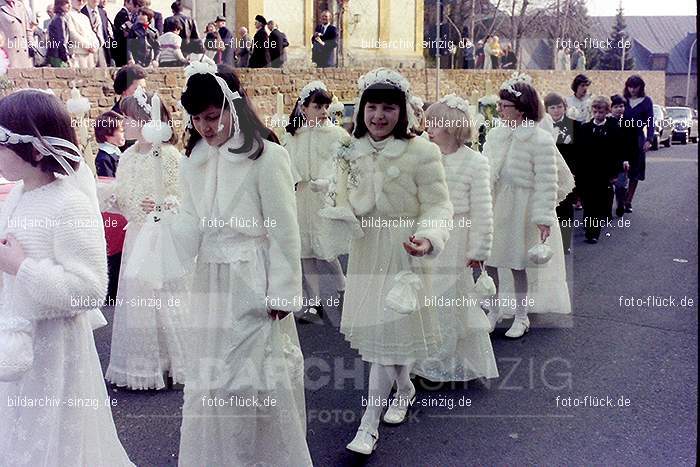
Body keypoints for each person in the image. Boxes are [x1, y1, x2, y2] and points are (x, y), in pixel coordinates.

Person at [143, 60, 312, 465]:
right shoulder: (196, 159)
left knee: (252, 378)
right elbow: (192, 224)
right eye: (198, 118)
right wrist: (164, 224)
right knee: (213, 378)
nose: (206, 126)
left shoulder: (266, 156)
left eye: (213, 116)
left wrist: (283, 291)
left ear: (232, 107)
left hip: (252, 278)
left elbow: (284, 231)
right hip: (211, 281)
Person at [0, 89, 134, 466]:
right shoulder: (18, 196)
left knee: (55, 444)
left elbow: (90, 288)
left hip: (55, 353)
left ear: (35, 149)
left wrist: (23, 268)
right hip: (17, 346)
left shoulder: (69, 203)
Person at [326, 68, 452, 455]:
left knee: (386, 340)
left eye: (388, 108)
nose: (379, 116)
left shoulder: (423, 152)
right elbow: (337, 195)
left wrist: (429, 238)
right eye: (372, 107)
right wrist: (338, 210)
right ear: (362, 109)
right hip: (367, 253)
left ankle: (368, 424)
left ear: (403, 113)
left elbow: (438, 205)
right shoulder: (348, 150)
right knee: (385, 338)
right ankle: (406, 388)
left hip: (403, 252)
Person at [104, 88, 187, 390]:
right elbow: (125, 194)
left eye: (127, 118)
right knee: (139, 300)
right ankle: (144, 364)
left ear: (143, 119)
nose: (122, 123)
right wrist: (114, 198)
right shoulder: (126, 157)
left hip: (160, 235)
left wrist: (165, 204)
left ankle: (175, 362)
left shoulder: (168, 156)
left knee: (164, 296)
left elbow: (183, 196)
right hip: (135, 236)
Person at [413, 94, 499, 384]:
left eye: (434, 124)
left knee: (449, 299)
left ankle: (444, 361)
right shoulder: (425, 154)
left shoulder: (476, 162)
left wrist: (479, 249)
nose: (428, 129)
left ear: (451, 126)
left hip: (457, 239)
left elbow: (483, 211)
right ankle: (423, 359)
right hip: (427, 234)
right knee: (425, 297)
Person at [483, 74, 573, 338]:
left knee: (516, 263)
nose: (498, 109)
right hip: (496, 204)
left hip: (521, 208)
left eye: (504, 105)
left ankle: (521, 316)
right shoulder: (495, 135)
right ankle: (494, 308)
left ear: (521, 109)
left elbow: (547, 181)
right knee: (489, 261)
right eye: (499, 105)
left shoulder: (539, 139)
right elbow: (485, 170)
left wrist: (543, 217)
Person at [283, 81, 351, 323]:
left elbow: (346, 168)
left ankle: (343, 287)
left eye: (326, 107)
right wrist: (295, 178)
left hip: (323, 196)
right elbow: (286, 163)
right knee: (305, 251)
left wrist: (328, 182)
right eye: (318, 106)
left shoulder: (337, 135)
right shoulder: (294, 136)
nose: (323, 112)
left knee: (325, 249)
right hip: (302, 196)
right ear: (304, 108)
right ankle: (313, 302)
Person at [577, 96, 624, 243]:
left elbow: (617, 152)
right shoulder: (585, 129)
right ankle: (588, 222)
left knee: (597, 202)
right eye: (595, 111)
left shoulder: (613, 129)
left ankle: (593, 233)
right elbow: (580, 152)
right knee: (587, 200)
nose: (598, 115)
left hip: (604, 172)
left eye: (601, 112)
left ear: (607, 112)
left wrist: (615, 173)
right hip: (586, 172)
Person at [94, 111, 127, 301]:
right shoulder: (104, 158)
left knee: (120, 252)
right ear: (108, 134)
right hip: (112, 211)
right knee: (114, 252)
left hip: (119, 208)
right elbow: (109, 187)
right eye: (121, 131)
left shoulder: (115, 153)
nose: (123, 135)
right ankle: (111, 291)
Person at [544, 92, 579, 254]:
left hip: (568, 173)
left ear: (565, 108)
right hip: (549, 172)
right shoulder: (542, 126)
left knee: (566, 208)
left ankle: (565, 243)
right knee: (551, 208)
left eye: (559, 107)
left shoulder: (574, 126)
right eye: (552, 107)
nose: (556, 110)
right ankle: (549, 242)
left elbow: (580, 153)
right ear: (546, 109)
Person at [621, 74, 653, 214]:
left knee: (635, 172)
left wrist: (649, 140)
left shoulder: (646, 101)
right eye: (630, 86)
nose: (632, 90)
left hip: (638, 138)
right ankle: (620, 196)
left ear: (641, 87)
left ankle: (628, 201)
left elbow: (651, 121)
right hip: (623, 138)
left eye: (635, 87)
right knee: (621, 170)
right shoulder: (623, 100)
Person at [610, 94, 633, 217]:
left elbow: (628, 144)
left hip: (622, 160)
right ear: (611, 108)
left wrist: (626, 159)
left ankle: (620, 203)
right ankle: (606, 209)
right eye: (616, 107)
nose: (620, 109)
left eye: (622, 106)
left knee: (620, 185)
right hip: (608, 160)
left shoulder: (627, 123)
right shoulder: (607, 122)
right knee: (608, 188)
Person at [65, 0, 99, 68]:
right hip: (78, 54)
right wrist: (88, 46)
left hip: (89, 55)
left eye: (83, 0)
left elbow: (91, 34)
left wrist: (96, 45)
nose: (81, 2)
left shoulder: (85, 17)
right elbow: (73, 34)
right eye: (79, 0)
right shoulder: (68, 15)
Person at [0, 0, 33, 68]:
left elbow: (28, 29)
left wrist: (31, 45)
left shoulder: (20, 5)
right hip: (9, 53)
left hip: (24, 52)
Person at [81, 0, 113, 66]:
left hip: (102, 48)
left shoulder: (102, 12)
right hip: (89, 50)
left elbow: (105, 32)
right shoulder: (81, 13)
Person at [46, 0, 71, 67]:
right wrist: (66, 57)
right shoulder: (59, 19)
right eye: (66, 3)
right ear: (60, 5)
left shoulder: (57, 18)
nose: (69, 5)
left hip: (55, 55)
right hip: (58, 56)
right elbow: (61, 40)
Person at [113, 0, 133, 67]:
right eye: (132, 3)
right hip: (121, 46)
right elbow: (124, 32)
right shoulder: (123, 14)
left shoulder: (126, 14)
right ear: (126, 2)